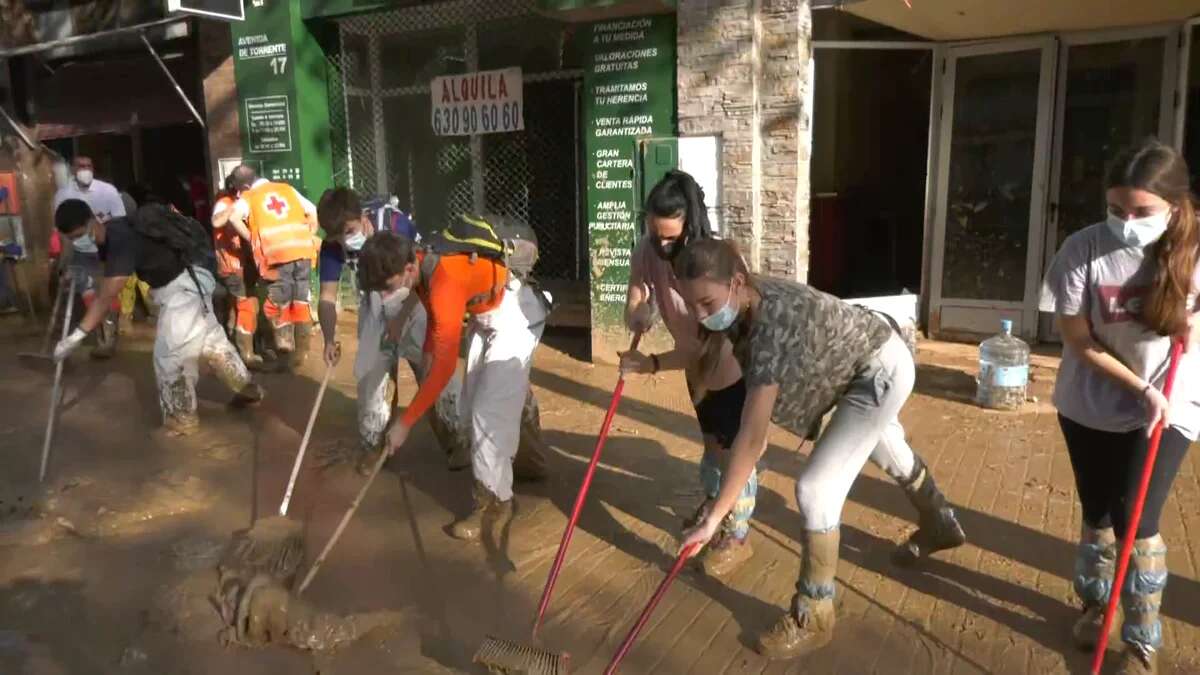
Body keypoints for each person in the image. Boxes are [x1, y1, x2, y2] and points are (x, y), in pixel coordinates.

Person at [673, 238, 966, 660]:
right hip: (858, 364)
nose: (700, 314)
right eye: (691, 305)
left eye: (706, 302)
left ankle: (815, 611)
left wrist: (716, 514)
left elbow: (752, 437)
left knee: (815, 489)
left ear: (735, 283)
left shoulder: (770, 325)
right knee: (886, 448)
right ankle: (939, 520)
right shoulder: (743, 300)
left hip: (876, 370)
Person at [1040, 139, 1199, 675]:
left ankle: (1141, 640)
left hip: (1169, 404)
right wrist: (1138, 386)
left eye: (1142, 212)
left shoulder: (1194, 252)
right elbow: (1078, 340)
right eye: (1116, 210)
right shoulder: (1081, 249)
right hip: (1091, 399)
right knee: (1099, 512)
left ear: (1174, 207)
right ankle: (1095, 605)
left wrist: (1193, 328)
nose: (1127, 222)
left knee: (1138, 514)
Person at [316, 189, 549, 481]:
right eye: (336, 237)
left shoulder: (396, 226)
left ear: (362, 217)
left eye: (347, 232)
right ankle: (374, 444)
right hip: (376, 299)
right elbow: (327, 297)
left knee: (439, 371)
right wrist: (328, 337)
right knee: (370, 371)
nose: (342, 241)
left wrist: (402, 318)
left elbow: (422, 274)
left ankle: (455, 438)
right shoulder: (332, 247)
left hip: (415, 298)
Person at [358, 227, 550, 541]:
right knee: (476, 404)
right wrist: (427, 359)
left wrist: (405, 423)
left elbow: (444, 368)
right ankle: (530, 454)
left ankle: (493, 504)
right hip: (486, 314)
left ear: (408, 268)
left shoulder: (444, 281)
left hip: (516, 313)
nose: (384, 296)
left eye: (387, 287)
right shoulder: (420, 262)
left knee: (486, 413)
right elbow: (435, 332)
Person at [618, 170, 760, 577]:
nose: (662, 245)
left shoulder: (710, 262)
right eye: (654, 234)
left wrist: (653, 364)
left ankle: (737, 535)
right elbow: (637, 293)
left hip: (731, 366)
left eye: (670, 237)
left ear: (690, 224)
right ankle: (718, 506)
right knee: (713, 448)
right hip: (694, 367)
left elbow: (705, 344)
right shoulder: (648, 249)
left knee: (736, 454)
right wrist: (637, 312)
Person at [51, 199, 264, 435]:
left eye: (79, 235)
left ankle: (181, 419)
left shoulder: (120, 237)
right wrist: (78, 270)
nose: (77, 241)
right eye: (71, 239)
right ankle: (247, 389)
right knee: (212, 342)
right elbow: (108, 271)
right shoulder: (111, 235)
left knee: (169, 357)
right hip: (191, 280)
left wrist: (76, 336)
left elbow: (106, 296)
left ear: (92, 220)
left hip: (183, 287)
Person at [225, 164, 319, 368]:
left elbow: (233, 218)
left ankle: (285, 351)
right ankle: (302, 352)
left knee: (277, 302)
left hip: (276, 255)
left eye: (240, 189)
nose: (239, 193)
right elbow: (312, 210)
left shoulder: (249, 197)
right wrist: (309, 235)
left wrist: (251, 238)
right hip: (302, 251)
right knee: (301, 299)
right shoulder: (286, 189)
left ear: (247, 185)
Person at [52, 156, 126, 358]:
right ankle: (97, 334)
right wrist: (63, 258)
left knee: (107, 294)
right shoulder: (63, 194)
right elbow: (60, 229)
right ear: (73, 170)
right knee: (88, 293)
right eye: (80, 166)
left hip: (106, 251)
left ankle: (108, 340)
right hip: (80, 253)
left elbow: (120, 221)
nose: (85, 170)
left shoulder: (107, 191)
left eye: (88, 166)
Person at [211, 173, 263, 369]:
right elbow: (216, 220)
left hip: (242, 265)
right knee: (247, 306)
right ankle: (246, 355)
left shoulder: (237, 202)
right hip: (233, 265)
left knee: (240, 306)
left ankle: (234, 346)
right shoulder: (225, 202)